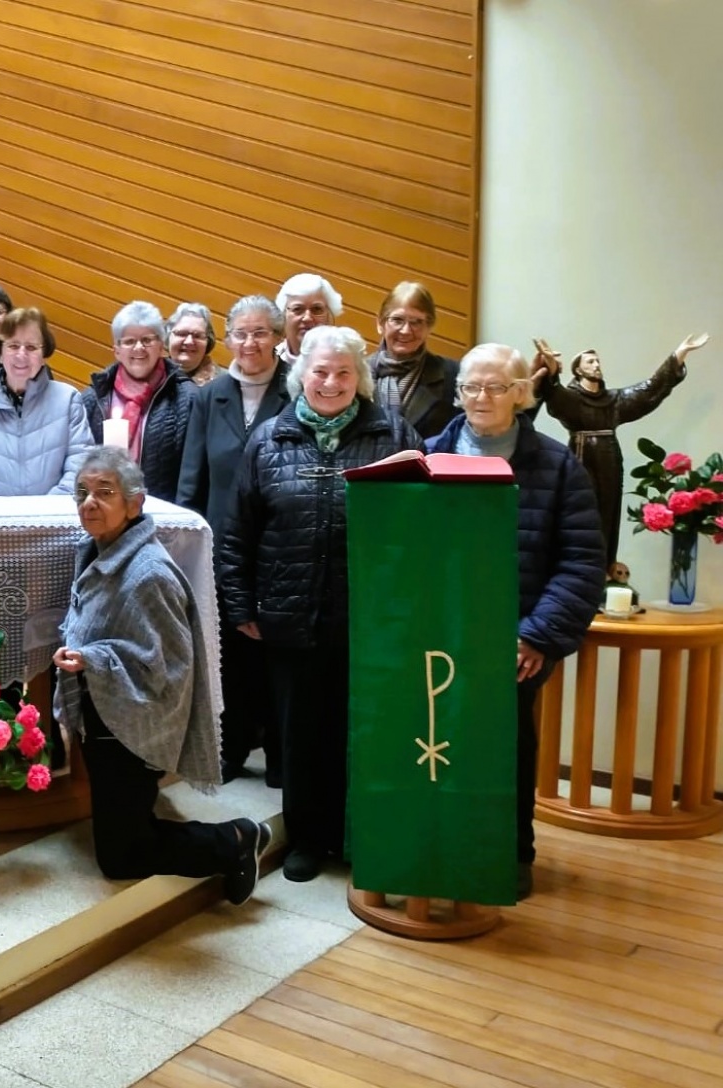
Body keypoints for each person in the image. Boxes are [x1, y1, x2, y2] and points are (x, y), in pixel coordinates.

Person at [216, 326, 419, 882]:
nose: (331, 382)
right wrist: (240, 606)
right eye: (320, 372)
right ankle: (306, 839)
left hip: (367, 620)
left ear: (361, 378)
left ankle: (356, 835)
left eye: (343, 372)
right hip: (289, 615)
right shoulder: (270, 438)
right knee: (300, 735)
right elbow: (238, 532)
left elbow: (415, 530)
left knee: (362, 731)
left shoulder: (394, 434)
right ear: (300, 375)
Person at [52, 446, 271, 901]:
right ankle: (224, 841)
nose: (89, 502)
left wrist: (94, 659)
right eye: (82, 493)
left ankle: (234, 839)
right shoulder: (95, 551)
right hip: (105, 714)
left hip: (131, 723)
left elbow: (170, 666)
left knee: (120, 857)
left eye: (104, 492)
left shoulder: (148, 574)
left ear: (135, 503)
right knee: (124, 834)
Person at [426, 344, 604, 898]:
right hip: (434, 635)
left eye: (496, 387)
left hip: (513, 639)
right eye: (471, 388)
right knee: (433, 739)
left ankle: (510, 851)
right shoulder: (425, 455)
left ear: (521, 394)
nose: (482, 398)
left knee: (504, 747)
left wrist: (537, 635)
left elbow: (581, 562)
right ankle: (435, 844)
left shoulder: (556, 466)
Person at [174, 295, 289, 785]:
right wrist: (186, 547)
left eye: (261, 332)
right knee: (231, 659)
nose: (250, 343)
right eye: (240, 333)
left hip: (283, 548)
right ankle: (233, 745)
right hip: (223, 549)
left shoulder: (298, 392)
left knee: (279, 657)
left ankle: (284, 755)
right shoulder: (209, 396)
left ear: (279, 338)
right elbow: (191, 481)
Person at [533, 333, 709, 564]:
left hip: (609, 458)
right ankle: (576, 567)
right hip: (581, 455)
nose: (597, 365)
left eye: (598, 362)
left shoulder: (613, 400)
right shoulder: (571, 399)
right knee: (580, 512)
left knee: (608, 513)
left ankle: (605, 568)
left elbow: (649, 390)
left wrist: (678, 355)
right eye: (590, 362)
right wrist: (553, 370)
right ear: (577, 370)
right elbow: (554, 396)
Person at [0, 306, 88, 497]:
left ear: (43, 356)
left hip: (53, 522)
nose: (21, 355)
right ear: (1, 353)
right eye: (13, 346)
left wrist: (44, 520)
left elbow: (80, 471)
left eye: (31, 347)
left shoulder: (69, 400)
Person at [78, 301, 195, 503]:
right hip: (103, 509)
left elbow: (192, 470)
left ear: (161, 346)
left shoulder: (186, 398)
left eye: (147, 340)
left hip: (163, 511)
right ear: (117, 350)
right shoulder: (93, 398)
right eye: (129, 341)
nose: (139, 348)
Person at [367, 281, 461, 440]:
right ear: (380, 323)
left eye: (416, 322)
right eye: (397, 320)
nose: (406, 331)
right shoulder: (356, 372)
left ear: (429, 326)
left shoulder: (453, 374)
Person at [274, 273, 343, 367]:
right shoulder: (269, 361)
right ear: (283, 315)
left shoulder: (345, 360)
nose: (307, 318)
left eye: (317, 309)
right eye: (297, 309)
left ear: (329, 315)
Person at [166, 302, 220, 385]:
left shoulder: (223, 384)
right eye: (182, 334)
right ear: (168, 337)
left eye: (198, 335)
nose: (189, 342)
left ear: (208, 342)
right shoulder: (148, 375)